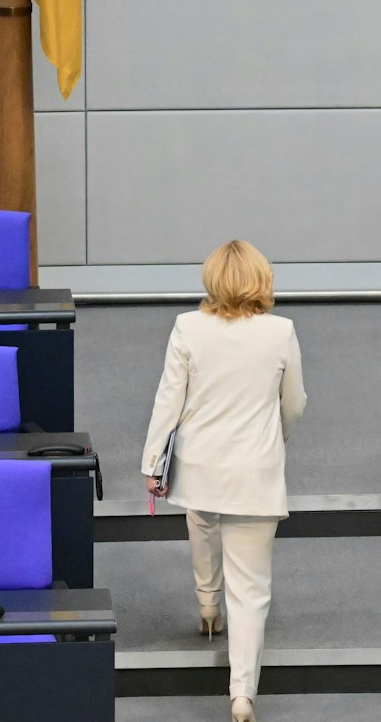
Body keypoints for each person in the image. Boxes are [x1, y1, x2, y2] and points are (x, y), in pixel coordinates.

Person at [141, 240, 308, 722]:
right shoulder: (281, 331)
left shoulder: (188, 328)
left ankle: (208, 606)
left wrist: (153, 462)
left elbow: (167, 401)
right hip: (255, 470)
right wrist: (280, 438)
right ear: (263, 280)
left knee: (201, 519)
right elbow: (293, 403)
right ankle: (242, 694)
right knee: (252, 588)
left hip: (200, 465)